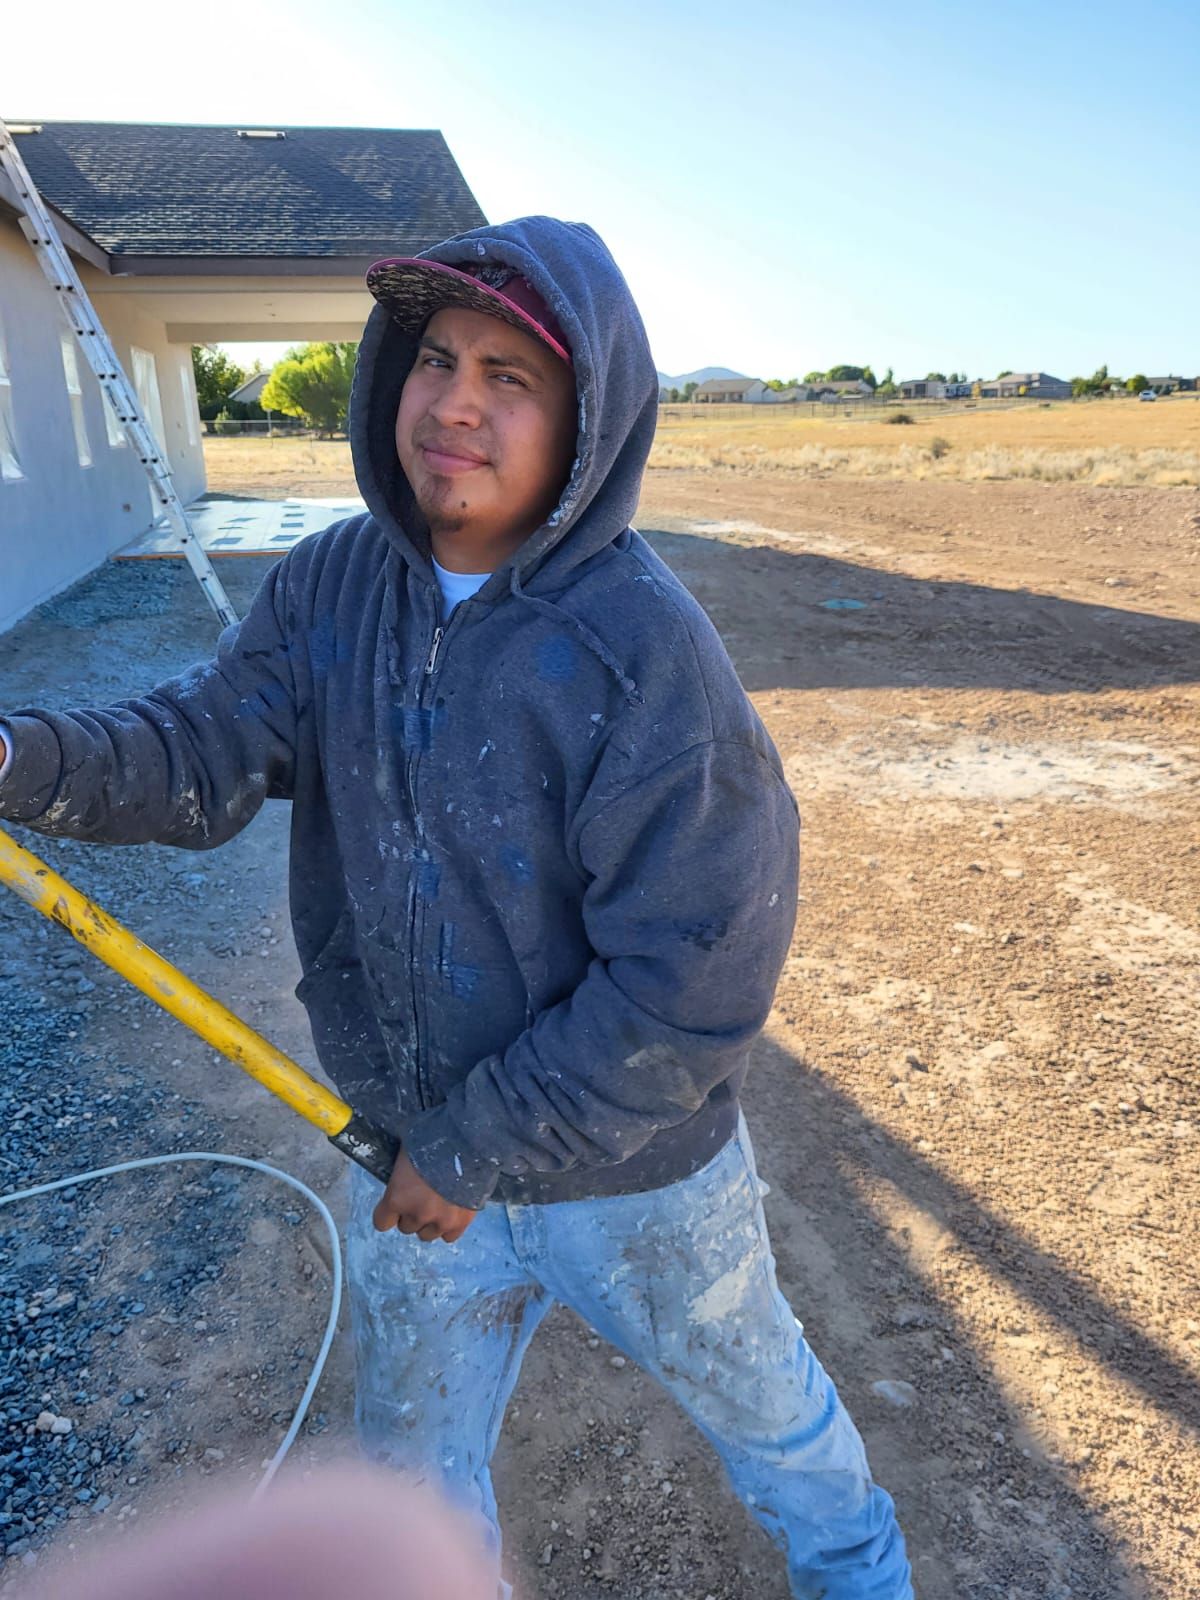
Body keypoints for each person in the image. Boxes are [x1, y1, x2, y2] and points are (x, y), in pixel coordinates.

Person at [0, 216, 912, 1598]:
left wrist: (476, 1144)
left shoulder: (645, 655)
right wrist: (19, 759)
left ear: (589, 420)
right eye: (436, 359)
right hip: (410, 1158)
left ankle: (866, 1577)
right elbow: (199, 748)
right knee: (413, 1482)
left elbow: (694, 982)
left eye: (511, 376)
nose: (456, 403)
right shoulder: (329, 588)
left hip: (634, 1185)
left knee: (774, 1425)